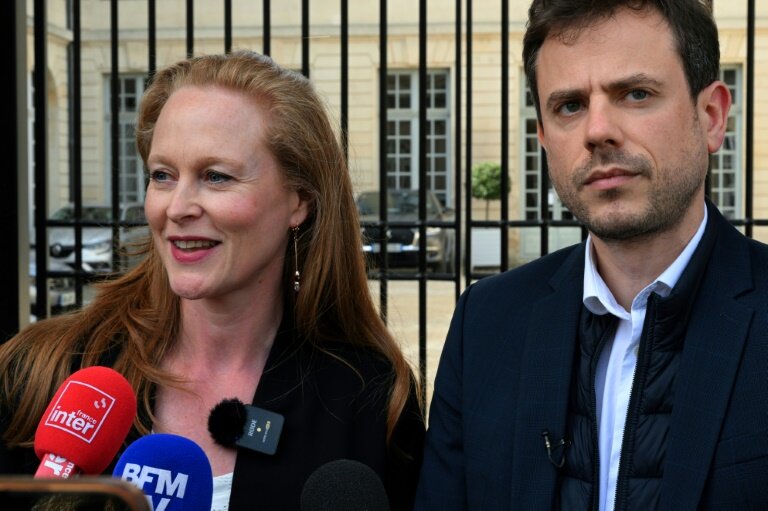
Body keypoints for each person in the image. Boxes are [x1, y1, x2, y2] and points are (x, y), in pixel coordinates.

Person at [0, 50, 424, 510]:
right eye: (163, 175)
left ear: (299, 201)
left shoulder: (368, 399)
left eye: (216, 177)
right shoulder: (40, 372)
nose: (178, 207)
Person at [415, 0, 768, 509]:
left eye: (636, 94)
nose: (597, 131)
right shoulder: (486, 326)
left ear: (711, 116)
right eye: (569, 106)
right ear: (543, 137)